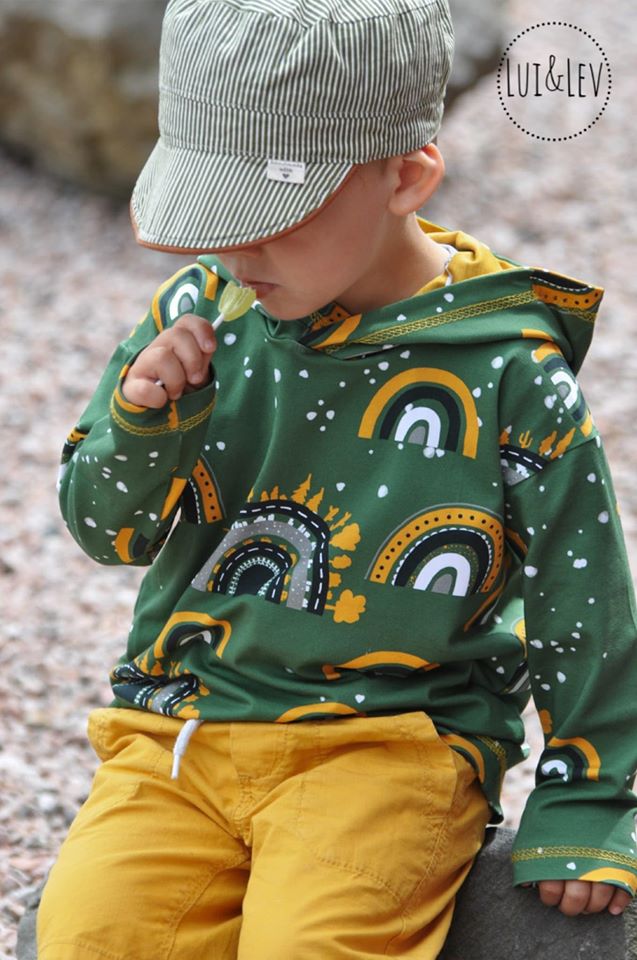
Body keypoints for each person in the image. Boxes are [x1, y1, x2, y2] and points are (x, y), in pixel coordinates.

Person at [38, 0, 637, 957]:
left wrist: (588, 801)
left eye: (272, 215)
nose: (237, 249)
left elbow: (581, 590)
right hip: (181, 732)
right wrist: (146, 425)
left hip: (389, 750)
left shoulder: (508, 367)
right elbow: (105, 532)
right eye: (215, 211)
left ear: (406, 175)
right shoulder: (198, 308)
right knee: (88, 938)